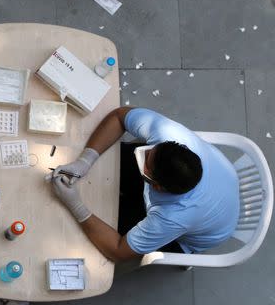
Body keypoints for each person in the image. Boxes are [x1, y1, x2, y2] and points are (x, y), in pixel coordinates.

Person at [50, 107, 239, 262]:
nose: (141, 153)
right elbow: (119, 116)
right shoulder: (166, 133)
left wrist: (76, 206)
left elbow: (118, 251)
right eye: (149, 151)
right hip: (221, 185)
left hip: (201, 234)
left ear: (157, 187)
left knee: (111, 224)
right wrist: (86, 159)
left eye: (146, 163)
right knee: (120, 159)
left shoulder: (172, 217)